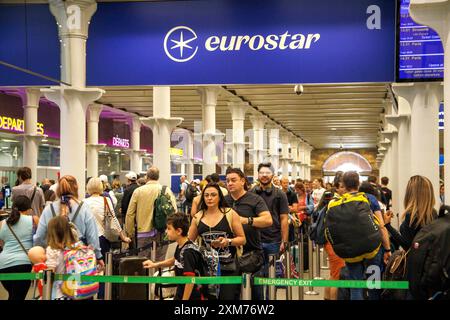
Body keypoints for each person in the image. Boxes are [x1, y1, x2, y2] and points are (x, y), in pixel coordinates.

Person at [333, 171, 391, 300]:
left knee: (355, 286)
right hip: (373, 250)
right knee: (373, 285)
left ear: (344, 185)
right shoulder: (370, 199)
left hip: (351, 250)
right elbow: (381, 226)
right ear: (358, 183)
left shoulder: (339, 202)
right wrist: (387, 249)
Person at [188, 183, 246, 300]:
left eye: (213, 195)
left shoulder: (230, 214)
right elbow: (189, 242)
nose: (209, 198)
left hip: (228, 266)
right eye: (206, 195)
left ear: (219, 197)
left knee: (227, 297)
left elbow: (242, 239)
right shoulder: (198, 217)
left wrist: (228, 241)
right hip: (206, 267)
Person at [33, 175, 104, 268]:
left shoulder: (48, 209)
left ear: (58, 190)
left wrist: (44, 252)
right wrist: (98, 256)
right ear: (76, 188)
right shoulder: (83, 207)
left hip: (54, 260)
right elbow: (92, 237)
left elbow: (39, 237)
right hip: (78, 261)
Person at [224, 167, 272, 300]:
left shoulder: (254, 199)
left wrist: (246, 220)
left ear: (242, 181)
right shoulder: (224, 201)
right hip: (228, 255)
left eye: (233, 180)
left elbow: (268, 220)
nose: (230, 183)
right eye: (227, 181)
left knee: (255, 294)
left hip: (251, 254)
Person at [143, 213, 207, 300]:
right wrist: (155, 265)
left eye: (169, 229)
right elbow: (175, 260)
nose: (166, 231)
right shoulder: (181, 245)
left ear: (179, 231)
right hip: (180, 293)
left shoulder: (188, 252)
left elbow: (190, 281)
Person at [250, 163, 289, 293]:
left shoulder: (280, 194)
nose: (264, 175)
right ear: (258, 174)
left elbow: (284, 218)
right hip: (255, 240)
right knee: (257, 274)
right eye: (261, 172)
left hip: (273, 240)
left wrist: (284, 240)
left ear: (272, 175)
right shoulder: (252, 193)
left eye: (267, 173)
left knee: (271, 274)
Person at [125, 167, 177, 260]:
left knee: (143, 262)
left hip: (143, 233)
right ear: (158, 177)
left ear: (146, 177)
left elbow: (130, 214)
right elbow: (174, 212)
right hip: (162, 232)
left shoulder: (138, 191)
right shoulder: (166, 190)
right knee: (159, 262)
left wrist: (130, 232)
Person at [383, 175, 437, 251]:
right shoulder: (434, 213)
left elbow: (407, 246)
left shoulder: (412, 215)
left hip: (415, 261)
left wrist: (388, 225)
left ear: (411, 193)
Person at [0, 195, 37, 300]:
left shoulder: (3, 223)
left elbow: (1, 243)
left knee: (13, 295)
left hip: (3, 265)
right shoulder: (33, 220)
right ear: (29, 209)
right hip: (23, 264)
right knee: (17, 296)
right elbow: (40, 239)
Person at [45, 215, 79, 299]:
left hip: (59, 292)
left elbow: (50, 273)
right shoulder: (75, 247)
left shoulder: (52, 250)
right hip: (75, 290)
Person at [323, 175, 345, 300]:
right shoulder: (336, 202)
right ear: (336, 188)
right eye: (342, 186)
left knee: (333, 275)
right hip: (334, 243)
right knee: (337, 278)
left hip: (331, 243)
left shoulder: (333, 200)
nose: (345, 189)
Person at [281, 177, 299, 242]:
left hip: (290, 220)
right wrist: (289, 207)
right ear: (281, 184)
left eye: (287, 183)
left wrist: (283, 207)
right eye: (284, 183)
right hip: (280, 219)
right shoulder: (278, 193)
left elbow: (295, 209)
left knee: (290, 239)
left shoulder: (292, 194)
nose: (286, 184)